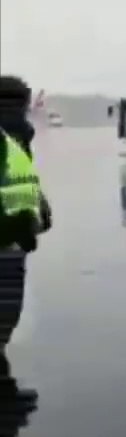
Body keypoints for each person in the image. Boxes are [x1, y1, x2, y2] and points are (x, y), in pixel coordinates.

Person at [0, 75, 49, 411]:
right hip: (8, 243)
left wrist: (41, 208)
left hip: (15, 241)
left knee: (6, 313)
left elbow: (22, 179)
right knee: (5, 311)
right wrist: (20, 226)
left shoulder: (18, 136)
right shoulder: (10, 135)